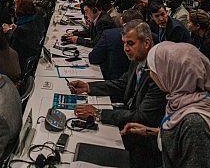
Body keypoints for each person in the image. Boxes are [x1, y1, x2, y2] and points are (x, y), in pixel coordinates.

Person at [68, 21, 166, 166]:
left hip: (144, 144)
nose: (125, 48)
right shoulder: (138, 59)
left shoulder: (157, 73)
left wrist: (99, 114)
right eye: (124, 43)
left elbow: (143, 116)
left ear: (146, 43)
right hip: (129, 125)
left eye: (130, 43)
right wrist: (88, 87)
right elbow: (122, 83)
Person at [122, 41, 210, 168]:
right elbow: (183, 141)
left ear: (173, 73)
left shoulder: (195, 124)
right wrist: (152, 132)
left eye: (153, 70)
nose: (151, 74)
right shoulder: (193, 99)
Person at [89, 9, 143, 80]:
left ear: (122, 21)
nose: (126, 48)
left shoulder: (109, 35)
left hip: (113, 82)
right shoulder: (155, 38)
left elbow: (93, 58)